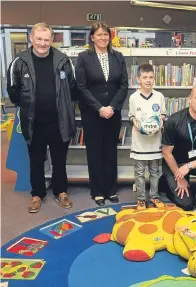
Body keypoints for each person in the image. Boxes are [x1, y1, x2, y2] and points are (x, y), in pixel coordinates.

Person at [7, 22, 77, 213]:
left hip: (59, 122)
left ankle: (61, 192)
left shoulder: (63, 60)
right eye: (39, 39)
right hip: (34, 122)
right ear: (32, 38)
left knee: (59, 160)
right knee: (36, 160)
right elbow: (13, 92)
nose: (43, 43)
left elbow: (73, 88)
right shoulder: (19, 62)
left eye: (47, 40)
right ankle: (37, 194)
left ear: (52, 40)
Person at [75, 21, 128, 206]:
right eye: (99, 35)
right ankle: (97, 191)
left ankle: (111, 189)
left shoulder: (118, 57)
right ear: (92, 37)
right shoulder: (83, 58)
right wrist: (99, 108)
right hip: (92, 114)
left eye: (106, 35)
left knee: (110, 151)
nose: (103, 38)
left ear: (110, 37)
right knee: (95, 152)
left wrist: (112, 107)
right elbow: (81, 87)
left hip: (113, 113)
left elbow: (123, 85)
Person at [128, 63, 166, 210]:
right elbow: (131, 116)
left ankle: (154, 197)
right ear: (139, 79)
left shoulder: (159, 96)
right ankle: (141, 199)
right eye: (145, 77)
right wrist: (135, 123)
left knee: (155, 171)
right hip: (139, 142)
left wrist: (160, 122)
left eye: (151, 77)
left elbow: (162, 114)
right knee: (139, 173)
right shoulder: (133, 97)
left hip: (155, 142)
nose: (148, 80)